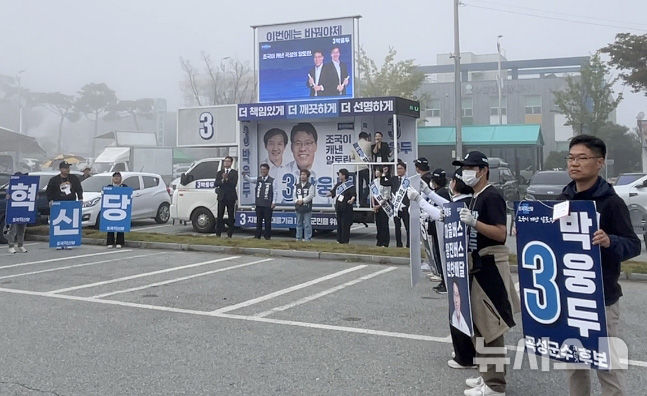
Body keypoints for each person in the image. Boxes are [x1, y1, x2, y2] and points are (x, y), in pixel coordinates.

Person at [559, 135, 640, 396]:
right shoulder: (566, 196)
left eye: (582, 158)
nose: (574, 164)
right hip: (572, 295)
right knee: (575, 364)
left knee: (607, 366)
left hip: (602, 299)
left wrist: (609, 241)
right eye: (571, 158)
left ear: (599, 162)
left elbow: (633, 245)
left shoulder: (611, 202)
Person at [452, 151, 519, 396]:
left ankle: (495, 385)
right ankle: (485, 375)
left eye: (470, 167)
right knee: (478, 325)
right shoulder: (474, 197)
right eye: (463, 168)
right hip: (475, 264)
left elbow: (501, 233)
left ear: (483, 170)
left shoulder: (492, 196)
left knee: (492, 325)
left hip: (490, 264)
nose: (465, 172)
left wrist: (474, 223)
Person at [46, 161, 83, 250]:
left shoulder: (73, 178)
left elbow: (79, 188)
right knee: (59, 223)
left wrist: (80, 198)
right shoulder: (54, 180)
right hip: (58, 204)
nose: (67, 170)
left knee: (69, 223)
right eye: (65, 168)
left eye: (68, 168)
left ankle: (68, 241)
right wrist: (50, 200)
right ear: (61, 169)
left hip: (71, 203)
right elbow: (49, 191)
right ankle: (59, 242)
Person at [429, 168, 451, 294]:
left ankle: (445, 281)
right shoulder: (439, 191)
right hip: (435, 228)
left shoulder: (441, 193)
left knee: (440, 255)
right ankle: (443, 279)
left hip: (440, 229)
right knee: (437, 254)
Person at [244, 164, 278, 240]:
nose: (262, 171)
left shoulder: (272, 180)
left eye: (264, 169)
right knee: (259, 220)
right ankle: (257, 236)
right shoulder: (258, 179)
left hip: (268, 204)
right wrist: (244, 175)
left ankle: (267, 236)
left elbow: (275, 192)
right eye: (261, 169)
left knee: (267, 221)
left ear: (268, 170)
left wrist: (274, 202)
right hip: (259, 203)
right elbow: (249, 180)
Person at [329, 168, 355, 244]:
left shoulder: (349, 185)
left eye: (340, 174)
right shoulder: (338, 184)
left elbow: (353, 194)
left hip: (346, 208)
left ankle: (345, 241)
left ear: (344, 175)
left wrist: (352, 200)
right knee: (339, 225)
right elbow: (333, 192)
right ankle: (339, 240)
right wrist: (329, 193)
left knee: (345, 225)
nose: (339, 176)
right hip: (339, 207)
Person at [214, 156, 238, 238]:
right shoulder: (220, 172)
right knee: (219, 215)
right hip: (221, 197)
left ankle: (230, 233)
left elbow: (233, 184)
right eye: (225, 161)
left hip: (230, 197)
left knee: (230, 215)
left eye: (228, 161)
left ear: (231, 163)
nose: (226, 163)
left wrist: (227, 179)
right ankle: (218, 233)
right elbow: (216, 184)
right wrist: (222, 180)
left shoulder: (234, 173)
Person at [6, 171, 28, 254]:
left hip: (23, 210)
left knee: (21, 229)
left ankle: (20, 245)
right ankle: (11, 246)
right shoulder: (11, 186)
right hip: (14, 211)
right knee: (13, 229)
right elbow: (7, 196)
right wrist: (8, 196)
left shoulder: (26, 186)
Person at [106, 172, 127, 249]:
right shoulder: (108, 187)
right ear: (112, 178)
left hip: (120, 208)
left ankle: (120, 242)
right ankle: (110, 242)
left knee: (120, 225)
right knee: (110, 225)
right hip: (111, 208)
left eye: (118, 176)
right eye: (115, 177)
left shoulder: (124, 187)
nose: (116, 178)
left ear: (121, 178)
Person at [350, 131, 372, 207]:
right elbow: (371, 154)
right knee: (370, 185)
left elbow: (352, 157)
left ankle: (359, 201)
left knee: (359, 185)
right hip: (366, 167)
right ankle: (364, 199)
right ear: (366, 137)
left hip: (357, 168)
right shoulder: (369, 144)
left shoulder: (354, 145)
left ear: (359, 137)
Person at [392, 161, 410, 248]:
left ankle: (408, 245)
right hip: (396, 207)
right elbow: (383, 182)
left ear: (405, 170)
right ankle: (398, 244)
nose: (398, 170)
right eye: (397, 168)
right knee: (397, 227)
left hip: (405, 207)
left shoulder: (408, 180)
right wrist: (384, 173)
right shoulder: (394, 179)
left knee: (408, 227)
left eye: (400, 168)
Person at [294, 169, 315, 242]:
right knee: (298, 223)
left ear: (307, 176)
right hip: (298, 207)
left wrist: (303, 201)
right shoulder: (297, 185)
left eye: (304, 175)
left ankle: (307, 239)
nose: (302, 176)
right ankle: (298, 238)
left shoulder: (310, 186)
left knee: (307, 224)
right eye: (301, 174)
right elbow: (294, 196)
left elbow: (311, 195)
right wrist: (297, 201)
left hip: (307, 208)